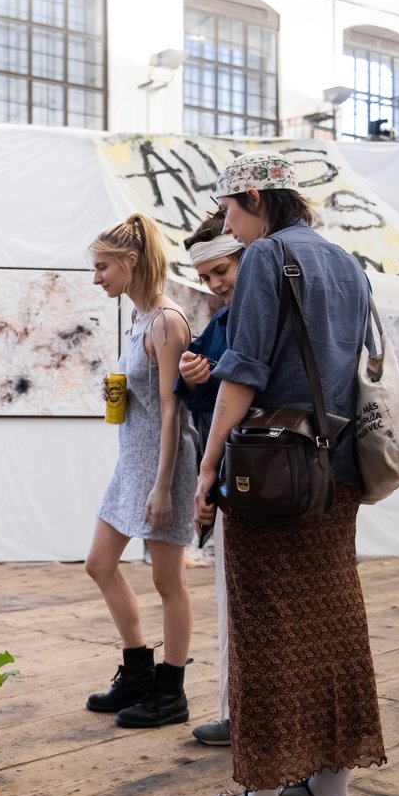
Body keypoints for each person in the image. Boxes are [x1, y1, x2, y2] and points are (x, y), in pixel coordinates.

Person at [196, 151, 385, 796]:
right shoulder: (346, 262)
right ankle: (331, 791)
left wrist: (206, 468)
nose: (229, 226)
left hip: (270, 474)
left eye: (230, 211)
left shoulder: (268, 259)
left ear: (255, 196)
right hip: (337, 473)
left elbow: (241, 375)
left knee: (265, 628)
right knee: (335, 622)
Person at [84, 213, 199, 729]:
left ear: (130, 262)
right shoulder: (138, 318)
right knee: (99, 564)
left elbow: (175, 410)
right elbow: (152, 400)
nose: (96, 278)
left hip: (162, 469)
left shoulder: (167, 321)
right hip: (132, 461)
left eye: (102, 267)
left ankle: (170, 692)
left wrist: (162, 487)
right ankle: (136, 671)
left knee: (167, 579)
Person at [174, 211, 245, 748]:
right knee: (234, 600)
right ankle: (235, 709)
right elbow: (208, 398)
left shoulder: (254, 315)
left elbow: (245, 385)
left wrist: (208, 376)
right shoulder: (222, 322)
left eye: (221, 271)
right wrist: (193, 377)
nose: (216, 284)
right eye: (206, 278)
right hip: (235, 467)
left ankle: (242, 714)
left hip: (254, 468)